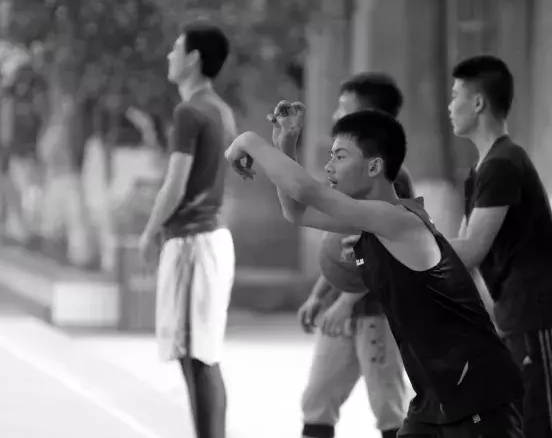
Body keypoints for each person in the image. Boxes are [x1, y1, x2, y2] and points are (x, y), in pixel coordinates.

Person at [225, 109, 524, 437]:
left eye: (340, 156)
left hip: (479, 395)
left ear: (374, 166)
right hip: (434, 400)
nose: (328, 166)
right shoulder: (369, 221)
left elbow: (307, 190)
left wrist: (248, 140)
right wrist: (286, 144)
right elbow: (296, 210)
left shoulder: (400, 219)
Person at [279, 73, 411, 438]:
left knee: (389, 409)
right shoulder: (345, 173)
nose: (336, 112)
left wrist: (346, 303)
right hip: (341, 310)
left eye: (344, 106)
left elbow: (386, 251)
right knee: (317, 401)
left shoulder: (391, 180)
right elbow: (343, 250)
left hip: (378, 315)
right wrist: (321, 295)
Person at [139, 23, 237, 438]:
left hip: (193, 242)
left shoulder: (189, 111)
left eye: (175, 48)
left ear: (194, 58)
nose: (169, 56)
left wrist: (149, 231)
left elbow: (175, 183)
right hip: (210, 239)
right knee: (200, 354)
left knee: (196, 356)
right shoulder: (220, 109)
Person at [448, 55, 552, 438]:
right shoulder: (480, 169)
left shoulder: (504, 163)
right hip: (511, 318)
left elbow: (472, 248)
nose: (449, 105)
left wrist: (400, 241)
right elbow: (461, 254)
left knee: (538, 424)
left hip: (536, 318)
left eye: (456, 94)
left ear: (478, 103)